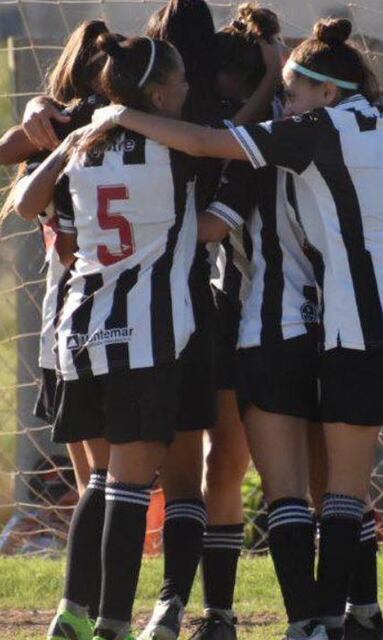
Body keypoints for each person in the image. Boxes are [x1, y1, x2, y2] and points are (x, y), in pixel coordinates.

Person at [87, 16, 383, 640]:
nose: (282, 105)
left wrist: (112, 119)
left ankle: (308, 623)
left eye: (293, 92)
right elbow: (312, 87)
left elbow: (213, 166)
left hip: (301, 326)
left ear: (320, 93)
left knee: (305, 491)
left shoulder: (277, 145)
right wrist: (285, 63)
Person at [200, 15, 383, 639]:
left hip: (270, 329)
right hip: (338, 329)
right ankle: (362, 614)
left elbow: (213, 226)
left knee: (286, 494)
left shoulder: (252, 151)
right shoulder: (356, 134)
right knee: (343, 488)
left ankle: (306, 622)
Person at [13, 32, 195, 640]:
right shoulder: (177, 149)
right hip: (146, 331)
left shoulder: (84, 146)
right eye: (183, 84)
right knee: (128, 486)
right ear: (163, 94)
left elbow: (22, 202)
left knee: (96, 480)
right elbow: (231, 142)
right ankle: (114, 623)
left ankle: (71, 612)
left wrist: (61, 141)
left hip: (83, 331)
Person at [136, 4, 284, 638]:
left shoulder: (167, 122)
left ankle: (192, 609)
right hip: (219, 309)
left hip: (203, 309)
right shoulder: (240, 125)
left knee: (202, 467)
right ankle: (194, 608)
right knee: (215, 467)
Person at [0, 20, 119, 640]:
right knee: (108, 481)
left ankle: (88, 605)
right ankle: (88, 610)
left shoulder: (54, 137)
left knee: (91, 480)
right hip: (116, 325)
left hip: (60, 329)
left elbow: (14, 178)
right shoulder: (128, 131)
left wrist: (31, 122)